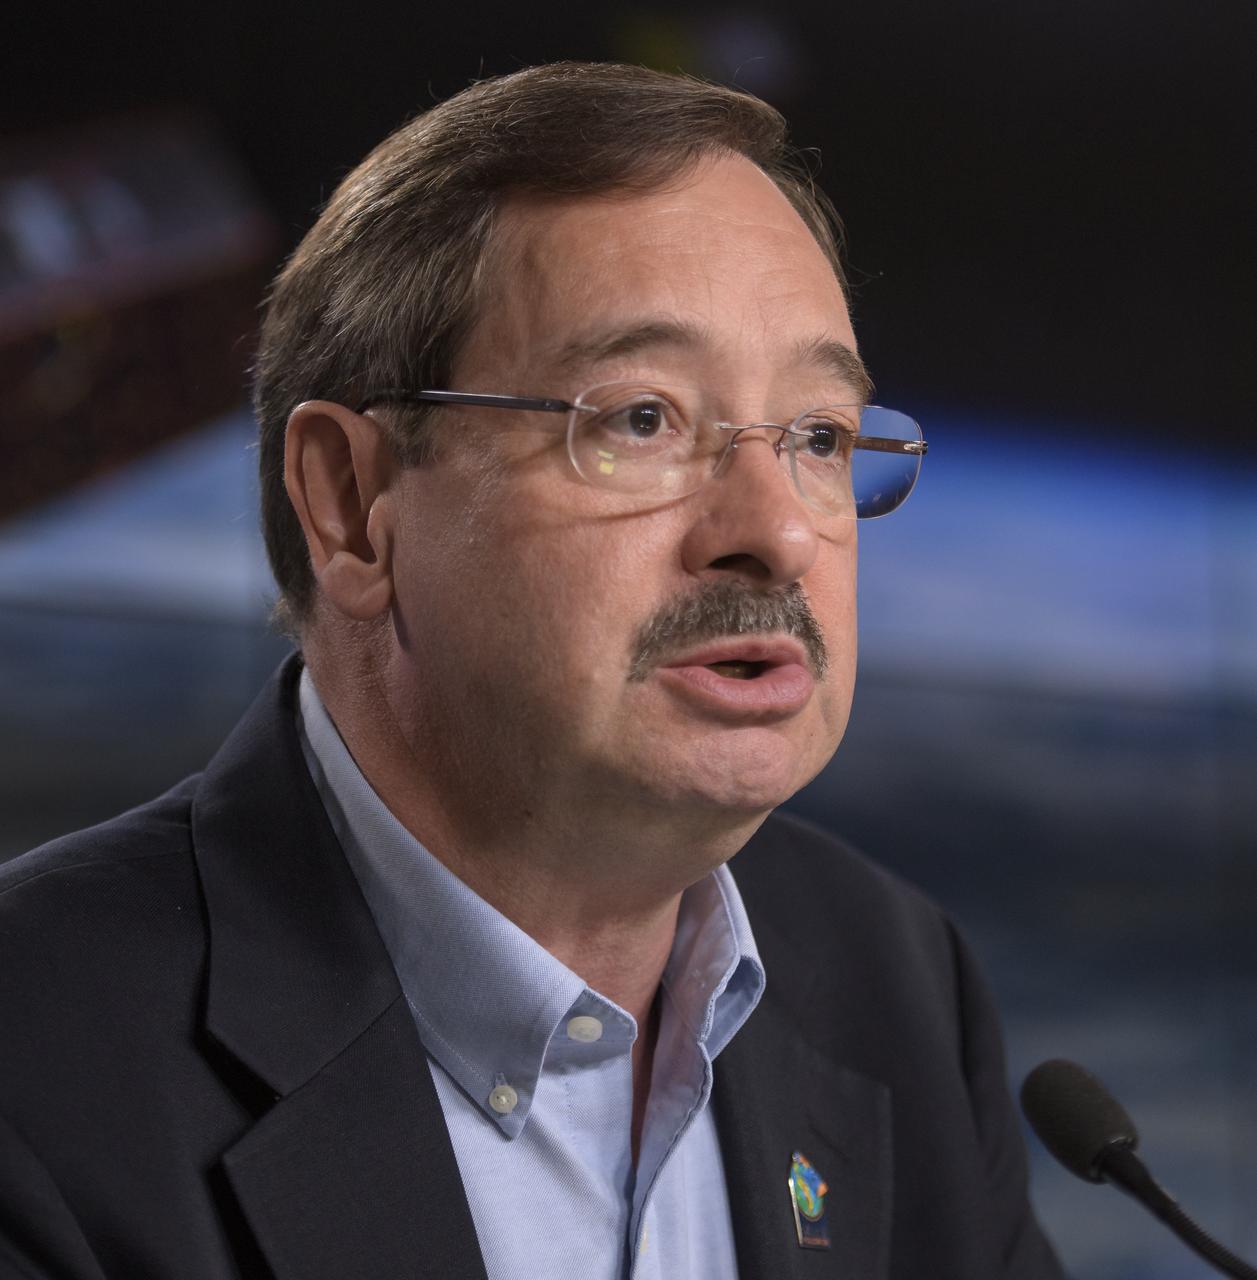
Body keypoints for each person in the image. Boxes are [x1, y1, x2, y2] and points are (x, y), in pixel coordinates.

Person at [0, 62, 1061, 1279]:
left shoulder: (898, 983)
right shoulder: (38, 1064)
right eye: (642, 419)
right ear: (351, 506)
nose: (776, 531)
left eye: (818, 435)